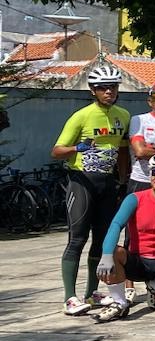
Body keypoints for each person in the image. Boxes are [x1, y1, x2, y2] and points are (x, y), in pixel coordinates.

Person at [53, 62, 131, 316]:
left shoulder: (123, 115)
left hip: (107, 184)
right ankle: (69, 297)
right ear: (93, 90)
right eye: (103, 88)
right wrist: (77, 148)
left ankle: (91, 293)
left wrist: (123, 179)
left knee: (101, 241)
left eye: (112, 87)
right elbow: (56, 151)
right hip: (82, 182)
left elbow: (121, 149)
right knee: (77, 239)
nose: (108, 92)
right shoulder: (82, 116)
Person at [92, 151, 155, 321]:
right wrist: (107, 255)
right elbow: (116, 225)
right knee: (115, 252)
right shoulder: (134, 198)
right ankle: (120, 303)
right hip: (137, 260)